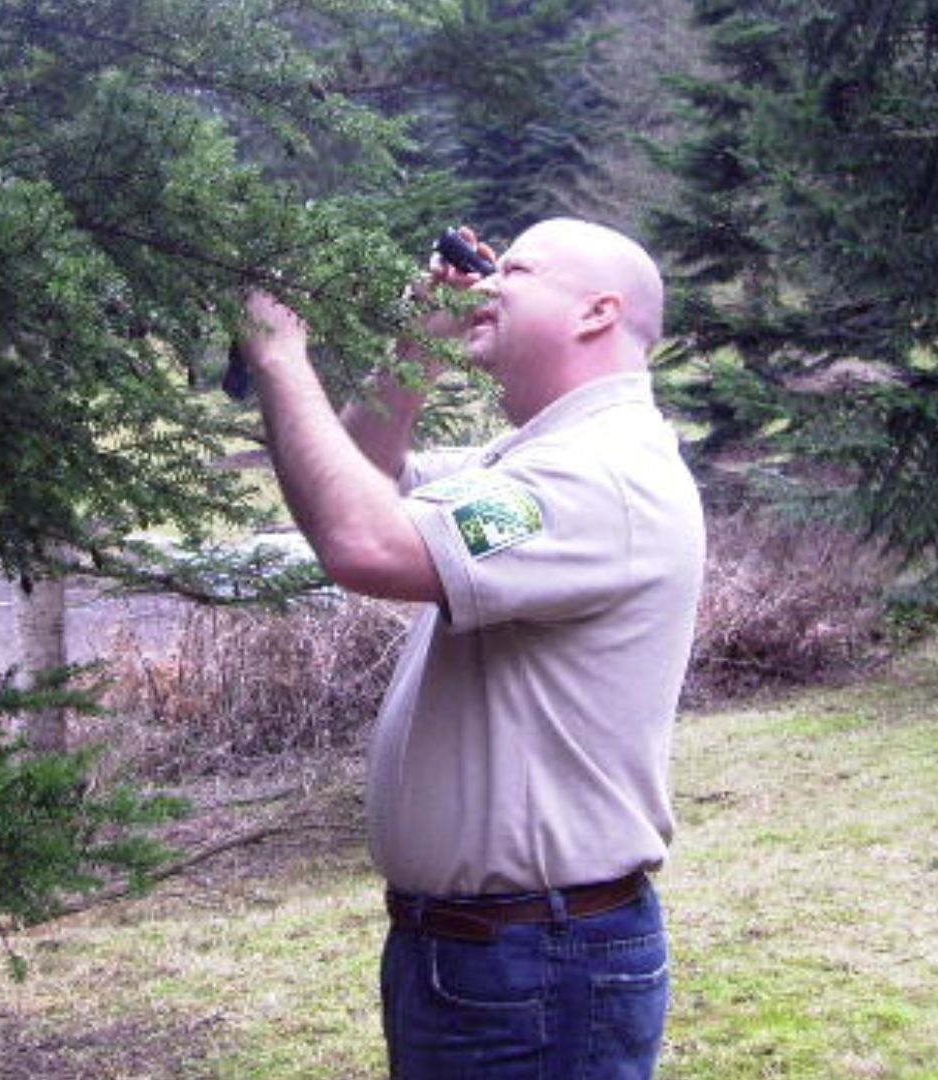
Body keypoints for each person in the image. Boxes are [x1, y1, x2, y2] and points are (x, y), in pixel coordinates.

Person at [234, 218, 705, 1079]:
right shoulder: (540, 459)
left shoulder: (601, 476)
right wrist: (417, 349)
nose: (484, 284)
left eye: (513, 270)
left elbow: (363, 546)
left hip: (533, 960)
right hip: (488, 953)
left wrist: (280, 357)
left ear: (597, 313)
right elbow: (367, 477)